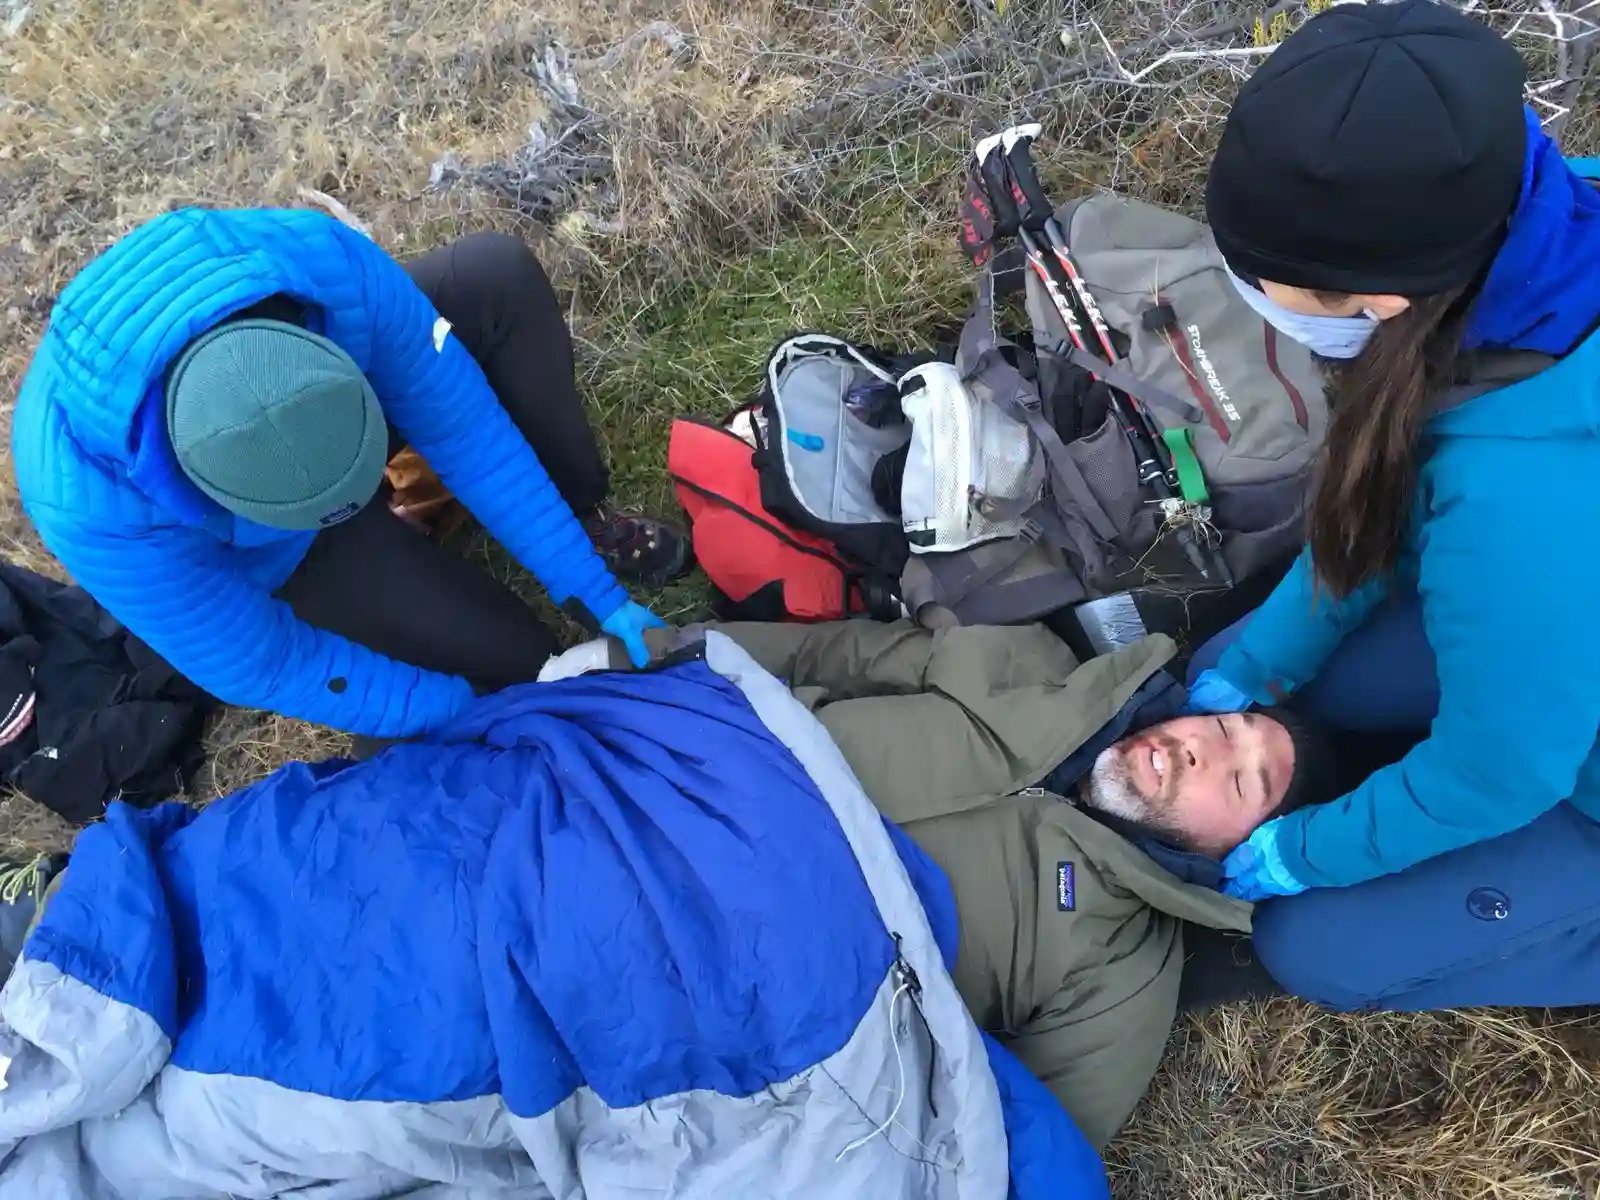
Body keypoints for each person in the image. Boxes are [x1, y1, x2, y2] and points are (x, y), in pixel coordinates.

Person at [1184, 0, 1600, 1011]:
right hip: (1554, 610)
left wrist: (1313, 850)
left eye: (1275, 287)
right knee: (1292, 685)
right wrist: (1260, 658)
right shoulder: (1544, 225)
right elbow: (1399, 512)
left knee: (1318, 944)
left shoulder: (1523, 494)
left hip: (1572, 771)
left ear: (1380, 305)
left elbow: (1503, 771)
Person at [546, 619, 1336, 1145]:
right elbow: (838, 657)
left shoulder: (1124, 967)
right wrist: (652, 659)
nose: (1206, 749)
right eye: (1227, 727)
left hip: (687, 1001)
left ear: (1242, 852)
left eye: (1242, 784)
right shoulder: (1032, 668)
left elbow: (1024, 1145)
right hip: (643, 801)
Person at [12, 208, 689, 740]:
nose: (375, 487)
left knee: (493, 276)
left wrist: (594, 594)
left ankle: (581, 516)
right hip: (288, 555)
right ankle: (382, 562)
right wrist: (438, 702)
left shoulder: (328, 272)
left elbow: (466, 433)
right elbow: (263, 660)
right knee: (520, 662)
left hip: (331, 404)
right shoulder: (89, 499)